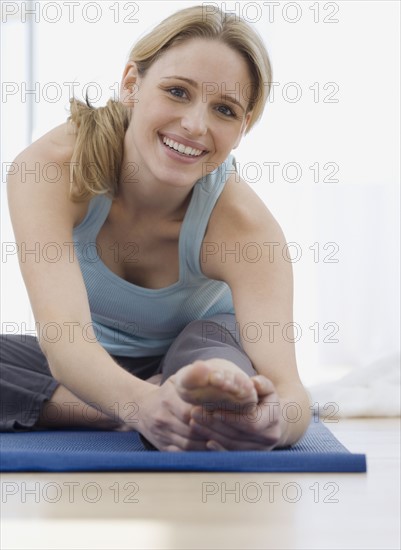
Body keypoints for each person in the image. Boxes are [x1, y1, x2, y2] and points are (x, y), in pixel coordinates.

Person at [2, 5, 311, 451]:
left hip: (203, 350)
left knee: (212, 363)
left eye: (224, 109)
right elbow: (66, 343)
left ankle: (192, 400)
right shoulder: (50, 170)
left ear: (242, 129)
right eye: (177, 92)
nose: (194, 125)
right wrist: (141, 403)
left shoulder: (246, 228)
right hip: (94, 362)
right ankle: (131, 409)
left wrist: (277, 425)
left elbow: (291, 392)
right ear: (131, 84)